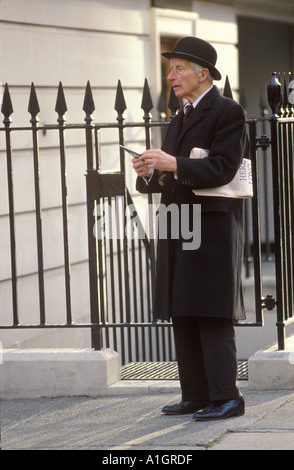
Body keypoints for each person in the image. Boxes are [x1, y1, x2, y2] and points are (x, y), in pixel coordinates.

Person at [132, 36, 246, 421]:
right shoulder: (179, 116)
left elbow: (223, 168)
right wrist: (149, 172)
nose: (171, 76)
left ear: (203, 73)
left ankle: (227, 397)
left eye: (179, 68)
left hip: (212, 227)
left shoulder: (228, 111)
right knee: (184, 310)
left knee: (212, 312)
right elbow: (170, 173)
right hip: (178, 225)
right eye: (171, 68)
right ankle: (195, 394)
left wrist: (174, 163)